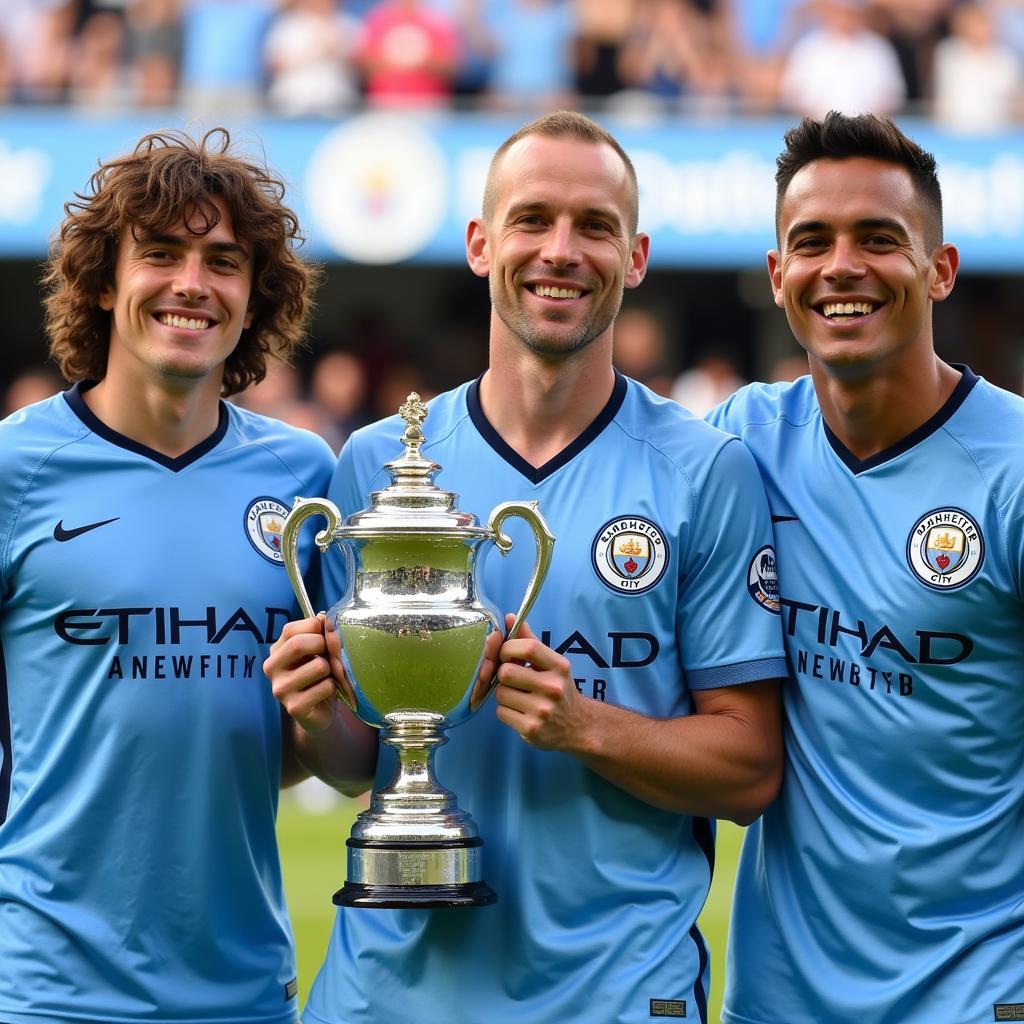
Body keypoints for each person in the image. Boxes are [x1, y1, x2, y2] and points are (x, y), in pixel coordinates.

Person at [265, 110, 786, 1024]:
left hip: (616, 992)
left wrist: (583, 724)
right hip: (389, 993)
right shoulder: (379, 466)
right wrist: (316, 716)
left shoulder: (707, 470)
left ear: (636, 257)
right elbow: (355, 767)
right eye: (532, 219)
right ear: (479, 243)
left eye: (595, 226)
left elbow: (748, 770)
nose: (560, 250)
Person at [0, 128, 337, 1024]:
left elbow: (339, 763)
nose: (192, 282)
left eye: (223, 262)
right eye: (160, 253)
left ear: (252, 297)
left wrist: (327, 714)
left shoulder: (306, 479)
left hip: (244, 992)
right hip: (44, 990)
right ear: (105, 283)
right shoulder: (14, 469)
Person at [707, 111, 1024, 1024]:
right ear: (778, 277)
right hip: (779, 996)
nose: (841, 266)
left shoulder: (1008, 474)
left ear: (940, 269)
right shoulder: (741, 442)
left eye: (879, 240)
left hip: (979, 993)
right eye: (812, 242)